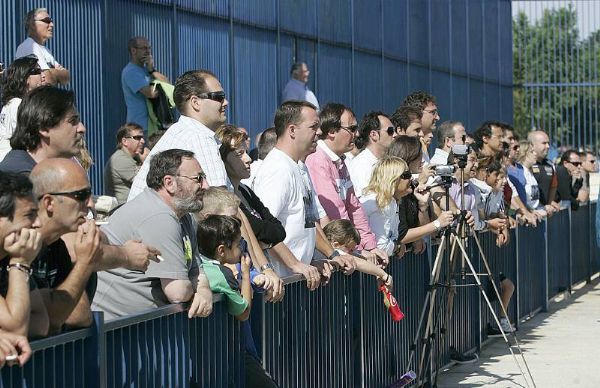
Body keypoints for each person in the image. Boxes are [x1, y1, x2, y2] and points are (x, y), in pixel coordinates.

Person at [92, 149, 213, 320]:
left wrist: (204, 291)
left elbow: (197, 270)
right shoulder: (159, 216)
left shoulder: (183, 216)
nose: (206, 185)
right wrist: (196, 290)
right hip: (115, 334)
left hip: (142, 329)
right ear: (169, 182)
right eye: (198, 179)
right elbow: (177, 291)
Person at [253, 101, 356, 278]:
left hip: (298, 280)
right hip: (282, 282)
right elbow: (264, 231)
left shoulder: (300, 166)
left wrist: (332, 255)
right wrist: (295, 264)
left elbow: (310, 221)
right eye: (313, 127)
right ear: (292, 130)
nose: (320, 132)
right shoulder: (278, 169)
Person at [128, 69, 231, 200]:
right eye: (219, 97)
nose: (226, 102)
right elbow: (219, 203)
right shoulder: (197, 136)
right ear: (195, 102)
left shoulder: (184, 132)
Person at [305, 103, 388, 264]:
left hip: (344, 251)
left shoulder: (341, 161)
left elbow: (354, 207)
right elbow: (335, 210)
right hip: (328, 255)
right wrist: (356, 249)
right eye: (351, 128)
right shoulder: (317, 159)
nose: (357, 134)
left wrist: (370, 246)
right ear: (331, 131)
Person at [29, 159, 101, 335]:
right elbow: (47, 321)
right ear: (49, 203)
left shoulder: (56, 246)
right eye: (81, 195)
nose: (90, 203)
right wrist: (84, 264)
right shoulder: (16, 246)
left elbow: (80, 316)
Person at [386, 136, 454, 253]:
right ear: (409, 157)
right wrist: (438, 223)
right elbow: (402, 235)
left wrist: (423, 206)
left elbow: (422, 229)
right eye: (419, 156)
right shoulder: (396, 190)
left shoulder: (412, 186)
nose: (423, 160)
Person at [0, 86, 85, 175]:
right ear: (44, 128)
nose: (82, 129)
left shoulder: (39, 175)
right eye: (72, 121)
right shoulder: (20, 181)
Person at [0, 171, 45, 337]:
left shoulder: (9, 255)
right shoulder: (19, 257)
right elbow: (16, 329)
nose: (38, 223)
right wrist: (20, 263)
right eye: (29, 215)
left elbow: (41, 322)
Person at [359, 156, 412, 256]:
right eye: (406, 175)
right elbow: (381, 247)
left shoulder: (390, 200)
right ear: (393, 179)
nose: (411, 178)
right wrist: (397, 247)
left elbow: (393, 237)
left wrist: (396, 245)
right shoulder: (379, 202)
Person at [0, 56, 46, 161]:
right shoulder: (18, 105)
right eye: (37, 71)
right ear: (24, 77)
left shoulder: (11, 104)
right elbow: (25, 140)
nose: (43, 76)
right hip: (14, 164)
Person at [323, 219, 394, 287]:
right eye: (350, 249)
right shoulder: (335, 251)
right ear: (335, 245)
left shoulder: (339, 249)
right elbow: (356, 261)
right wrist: (383, 275)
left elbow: (358, 257)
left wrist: (377, 273)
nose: (352, 252)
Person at [121, 37, 169, 132]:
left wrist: (152, 70)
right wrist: (161, 89)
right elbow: (151, 93)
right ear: (133, 50)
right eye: (144, 48)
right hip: (140, 126)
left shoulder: (147, 70)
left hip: (154, 124)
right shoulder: (130, 71)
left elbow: (168, 84)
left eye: (149, 48)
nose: (148, 51)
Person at [348, 111, 397, 200]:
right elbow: (364, 203)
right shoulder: (361, 165)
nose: (395, 135)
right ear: (374, 135)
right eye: (390, 131)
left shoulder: (383, 162)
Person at [15, 8, 69, 85]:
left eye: (51, 21)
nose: (52, 25)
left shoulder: (45, 50)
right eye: (47, 21)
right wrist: (57, 73)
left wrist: (52, 72)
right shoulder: (30, 46)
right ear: (32, 24)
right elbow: (47, 79)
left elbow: (66, 78)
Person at [104, 123, 149, 204]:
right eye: (138, 138)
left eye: (142, 137)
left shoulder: (133, 157)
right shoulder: (120, 159)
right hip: (123, 209)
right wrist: (147, 162)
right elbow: (145, 183)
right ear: (125, 141)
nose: (143, 141)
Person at [528, 130, 560, 216]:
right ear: (532, 146)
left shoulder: (550, 165)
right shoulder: (525, 165)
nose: (548, 146)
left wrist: (549, 203)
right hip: (530, 214)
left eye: (548, 143)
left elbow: (553, 186)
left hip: (544, 213)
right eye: (544, 143)